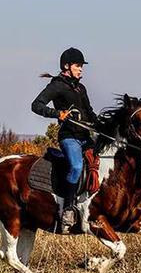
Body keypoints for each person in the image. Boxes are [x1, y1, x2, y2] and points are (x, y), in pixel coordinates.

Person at [31, 47, 97, 227]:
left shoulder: (80, 87)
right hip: (69, 137)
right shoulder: (57, 85)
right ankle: (68, 208)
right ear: (67, 66)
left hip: (85, 136)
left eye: (82, 66)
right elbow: (36, 105)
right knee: (76, 166)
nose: (81, 69)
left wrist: (101, 124)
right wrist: (56, 113)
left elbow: (89, 112)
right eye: (78, 65)